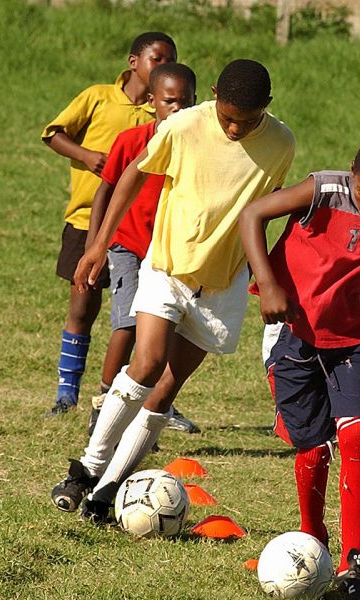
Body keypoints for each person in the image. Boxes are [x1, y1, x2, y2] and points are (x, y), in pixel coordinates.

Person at [49, 59, 296, 520]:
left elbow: (262, 210)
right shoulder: (185, 125)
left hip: (222, 284)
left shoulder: (282, 143)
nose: (236, 128)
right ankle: (86, 468)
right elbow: (133, 175)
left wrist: (268, 276)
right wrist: (98, 243)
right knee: (146, 363)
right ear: (215, 94)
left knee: (167, 388)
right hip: (166, 265)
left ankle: (106, 492)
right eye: (227, 117)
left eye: (248, 119)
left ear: (268, 106)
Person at [240, 135, 360, 600]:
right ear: (351, 174)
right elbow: (252, 214)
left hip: (355, 337)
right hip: (293, 331)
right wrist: (267, 282)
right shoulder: (322, 190)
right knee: (313, 447)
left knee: (358, 436)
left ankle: (353, 565)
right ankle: (312, 540)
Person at [41, 32, 177, 417]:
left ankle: (139, 398)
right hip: (88, 221)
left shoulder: (167, 115)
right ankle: (67, 392)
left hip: (141, 232)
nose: (163, 66)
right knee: (83, 306)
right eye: (157, 58)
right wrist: (87, 155)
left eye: (170, 60)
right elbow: (52, 133)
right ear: (134, 62)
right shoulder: (99, 97)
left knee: (145, 321)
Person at [84, 63, 199, 440]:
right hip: (128, 245)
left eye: (186, 102)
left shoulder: (199, 146)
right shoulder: (132, 141)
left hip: (169, 253)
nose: (177, 110)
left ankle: (149, 405)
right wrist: (95, 244)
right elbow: (106, 190)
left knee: (162, 335)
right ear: (152, 102)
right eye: (169, 102)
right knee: (129, 324)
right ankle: (104, 401)